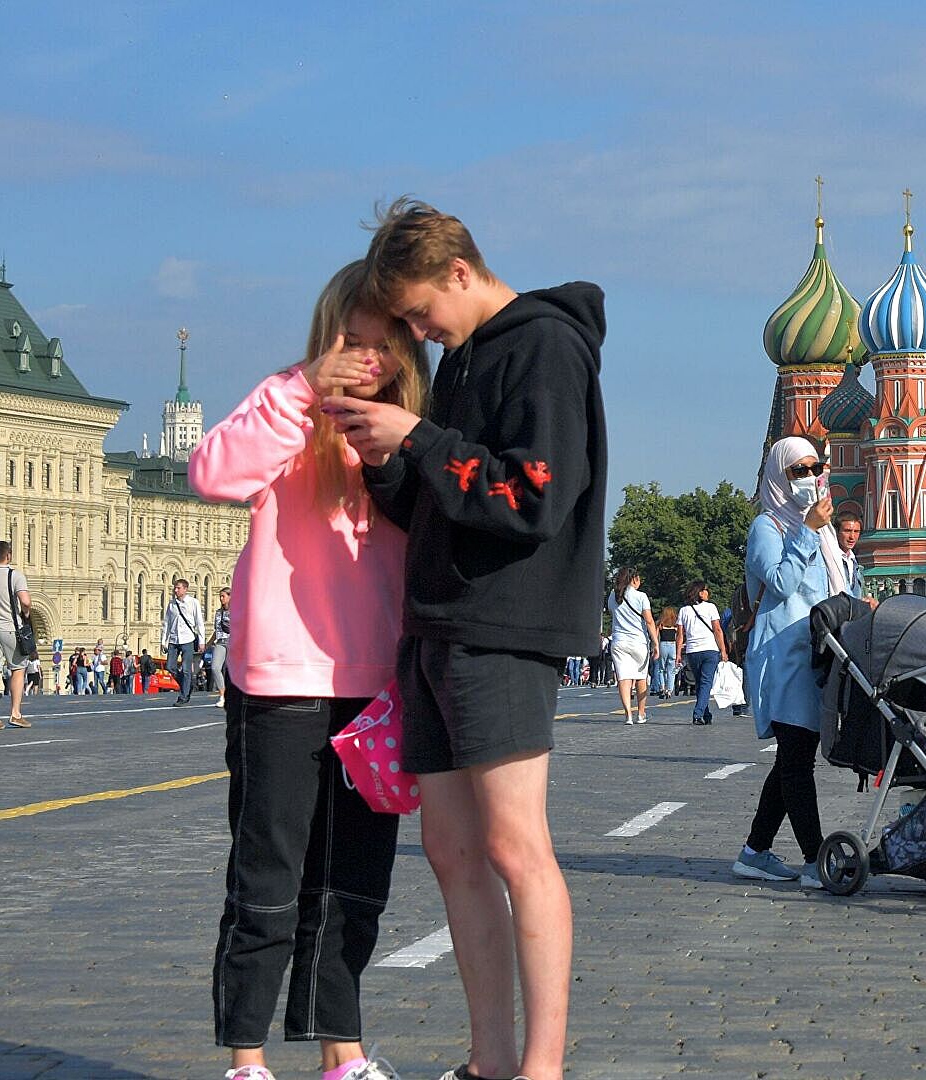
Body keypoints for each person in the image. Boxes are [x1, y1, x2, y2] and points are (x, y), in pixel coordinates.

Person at [335, 199, 607, 1080]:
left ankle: (541, 1067)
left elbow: (534, 494)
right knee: (452, 852)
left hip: (505, 626)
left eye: (420, 313)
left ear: (461, 270)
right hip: (439, 626)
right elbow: (436, 506)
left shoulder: (545, 345)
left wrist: (419, 436)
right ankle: (488, 1062)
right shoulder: (463, 362)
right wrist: (387, 464)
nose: (421, 332)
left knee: (515, 847)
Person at [188, 258, 429, 1080]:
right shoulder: (283, 408)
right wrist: (300, 389)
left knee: (353, 883)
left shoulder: (410, 434)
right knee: (267, 875)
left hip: (376, 691)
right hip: (280, 683)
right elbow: (212, 472)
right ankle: (246, 1060)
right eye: (348, 343)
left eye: (381, 346)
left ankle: (341, 1052)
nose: (363, 361)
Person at [732, 437, 844, 886]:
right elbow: (780, 583)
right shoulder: (768, 526)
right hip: (783, 654)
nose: (810, 478)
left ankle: (755, 850)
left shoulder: (820, 530)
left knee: (792, 758)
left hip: (816, 651)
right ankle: (815, 859)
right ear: (780, 476)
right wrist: (808, 532)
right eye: (799, 470)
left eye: (815, 468)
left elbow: (830, 590)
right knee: (797, 757)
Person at [608, 568, 658, 725]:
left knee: (623, 678)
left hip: (618, 641)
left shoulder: (613, 595)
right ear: (634, 579)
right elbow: (649, 621)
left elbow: (612, 613)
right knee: (641, 677)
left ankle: (628, 714)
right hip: (638, 641)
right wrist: (655, 642)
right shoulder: (641, 596)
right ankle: (641, 713)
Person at [677, 583, 726, 726]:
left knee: (700, 683)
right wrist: (723, 650)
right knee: (706, 683)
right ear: (699, 593)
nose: (707, 592)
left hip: (692, 651)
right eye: (705, 590)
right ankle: (698, 714)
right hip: (710, 649)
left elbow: (680, 634)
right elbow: (717, 629)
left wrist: (678, 653)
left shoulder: (684, 610)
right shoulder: (711, 607)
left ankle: (706, 714)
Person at [0, 540, 29, 727]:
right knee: (17, 669)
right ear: (8, 556)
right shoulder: (14, 575)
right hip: (10, 628)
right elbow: (25, 601)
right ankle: (15, 714)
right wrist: (25, 614)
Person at [163, 578, 205, 706]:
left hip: (188, 640)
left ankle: (183, 696)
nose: (176, 590)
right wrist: (164, 640)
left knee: (187, 670)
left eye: (178, 588)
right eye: (175, 588)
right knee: (170, 667)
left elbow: (199, 622)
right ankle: (186, 686)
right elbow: (166, 623)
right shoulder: (171, 604)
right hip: (174, 640)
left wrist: (202, 641)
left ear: (185, 589)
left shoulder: (193, 602)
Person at [833, 508, 867, 599]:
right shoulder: (830, 558)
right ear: (836, 531)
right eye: (847, 531)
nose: (852, 537)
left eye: (856, 531)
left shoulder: (853, 561)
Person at [210, 587, 234, 708]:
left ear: (230, 597)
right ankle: (222, 695)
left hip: (233, 642)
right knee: (215, 667)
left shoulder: (236, 611)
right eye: (220, 596)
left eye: (223, 596)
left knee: (232, 670)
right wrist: (208, 643)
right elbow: (216, 630)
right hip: (220, 642)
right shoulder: (218, 613)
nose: (221, 598)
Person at [654, 605, 680, 699]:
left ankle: (662, 687)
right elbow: (678, 637)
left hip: (663, 645)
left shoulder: (660, 624)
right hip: (673, 646)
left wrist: (655, 648)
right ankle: (669, 690)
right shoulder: (675, 625)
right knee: (671, 670)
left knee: (661, 669)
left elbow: (655, 637)